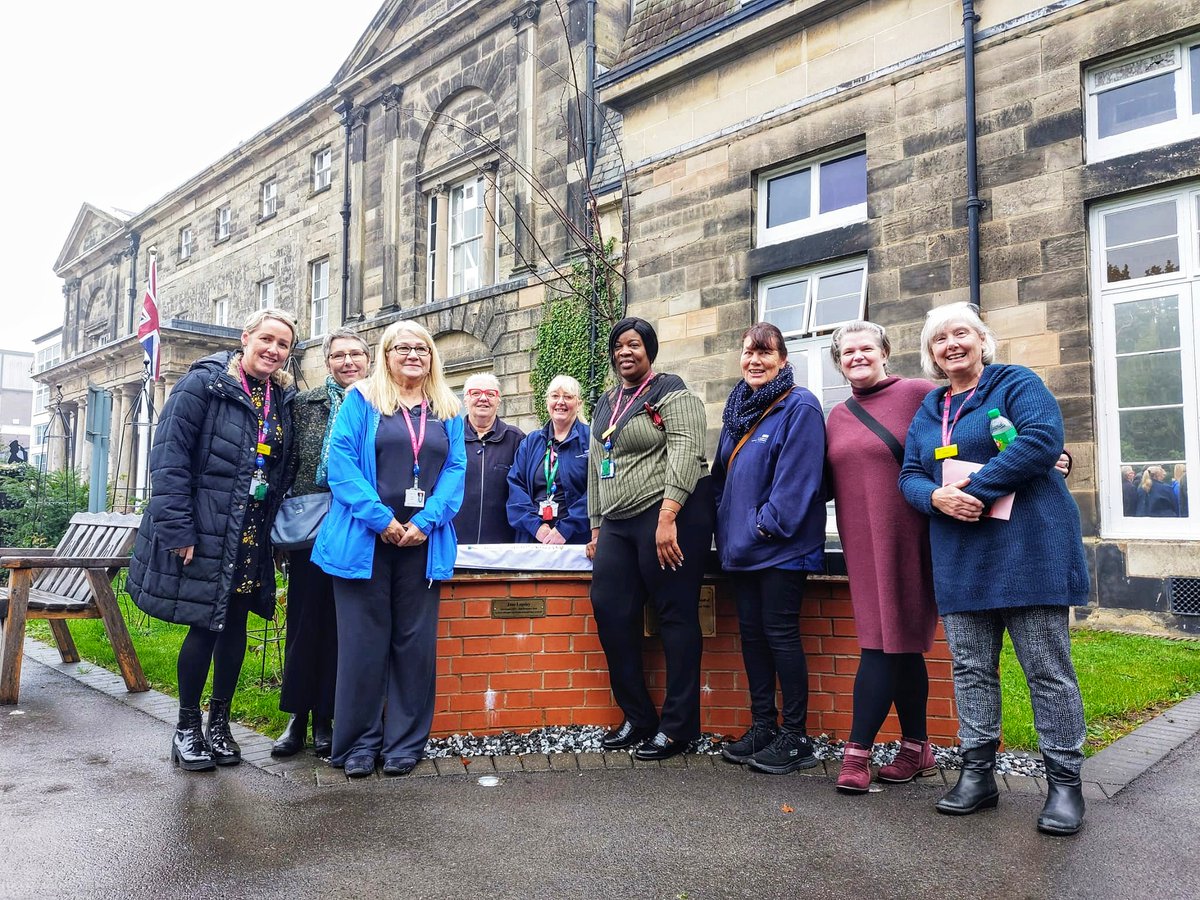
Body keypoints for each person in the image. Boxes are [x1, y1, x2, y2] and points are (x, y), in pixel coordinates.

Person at [899, 301, 1089, 836]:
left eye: (962, 333)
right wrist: (936, 498)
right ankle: (978, 775)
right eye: (940, 339)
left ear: (983, 340)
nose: (952, 344)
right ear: (931, 355)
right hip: (961, 557)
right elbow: (910, 472)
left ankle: (1065, 784)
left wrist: (974, 490)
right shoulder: (930, 409)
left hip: (1029, 551)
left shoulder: (1015, 382)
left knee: (1047, 672)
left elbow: (1039, 441)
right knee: (971, 669)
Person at [128, 308, 298, 772]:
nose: (274, 350)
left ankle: (219, 722)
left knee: (236, 626)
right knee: (204, 626)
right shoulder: (202, 384)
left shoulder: (278, 396)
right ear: (246, 338)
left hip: (248, 533)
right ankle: (186, 727)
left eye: (284, 345)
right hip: (204, 531)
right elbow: (168, 460)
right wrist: (178, 528)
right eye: (267, 339)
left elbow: (279, 466)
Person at [311, 321, 465, 778]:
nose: (413, 354)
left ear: (432, 356)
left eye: (422, 348)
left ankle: (404, 744)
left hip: (422, 543)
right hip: (365, 541)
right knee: (362, 646)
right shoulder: (362, 399)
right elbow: (340, 464)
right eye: (403, 347)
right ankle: (358, 744)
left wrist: (424, 521)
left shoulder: (447, 408)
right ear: (386, 353)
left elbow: (456, 471)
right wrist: (381, 520)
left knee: (414, 647)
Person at [586, 317, 713, 761]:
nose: (626, 352)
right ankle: (639, 717)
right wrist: (597, 525)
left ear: (649, 350)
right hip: (618, 521)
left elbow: (686, 447)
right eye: (619, 345)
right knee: (609, 609)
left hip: (668, 515)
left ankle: (679, 728)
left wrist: (668, 515)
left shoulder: (671, 391)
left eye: (634, 344)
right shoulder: (606, 402)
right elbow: (595, 463)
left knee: (675, 616)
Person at [824, 321, 940, 792]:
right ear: (838, 362)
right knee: (899, 644)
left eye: (865, 348)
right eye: (847, 351)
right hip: (861, 543)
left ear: (885, 351)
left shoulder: (919, 393)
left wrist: (1052, 453)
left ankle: (857, 754)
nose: (857, 356)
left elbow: (974, 422)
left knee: (882, 643)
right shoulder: (836, 415)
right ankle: (917, 748)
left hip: (912, 537)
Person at [712, 323, 826, 775]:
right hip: (740, 550)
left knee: (780, 636)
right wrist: (726, 521)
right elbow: (723, 475)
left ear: (782, 359)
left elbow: (797, 481)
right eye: (748, 352)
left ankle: (796, 736)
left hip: (780, 549)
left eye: (765, 352)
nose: (755, 360)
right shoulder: (737, 409)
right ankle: (763, 726)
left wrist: (762, 526)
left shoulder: (800, 406)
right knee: (753, 638)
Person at [271, 328, 370, 758]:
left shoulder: (378, 405)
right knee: (305, 623)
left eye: (355, 355)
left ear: (368, 360)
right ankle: (297, 717)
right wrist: (280, 530)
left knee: (341, 626)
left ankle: (328, 718)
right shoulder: (305, 405)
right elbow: (286, 467)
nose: (348, 362)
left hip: (360, 527)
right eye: (339, 356)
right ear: (327, 362)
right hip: (310, 529)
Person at [507, 374, 592, 544]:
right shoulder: (531, 442)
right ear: (547, 402)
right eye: (555, 396)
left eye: (568, 396)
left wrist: (565, 529)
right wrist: (536, 527)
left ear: (579, 403)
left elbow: (596, 491)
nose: (560, 402)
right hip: (534, 538)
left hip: (577, 540)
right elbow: (516, 488)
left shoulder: (591, 440)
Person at [453, 372, 523, 543]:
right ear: (465, 399)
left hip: (502, 545)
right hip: (455, 540)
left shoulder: (517, 439)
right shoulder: (450, 438)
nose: (483, 398)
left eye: (490, 394)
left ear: (498, 401)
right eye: (476, 393)